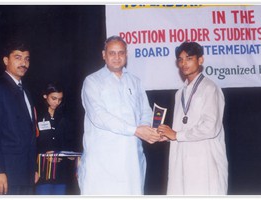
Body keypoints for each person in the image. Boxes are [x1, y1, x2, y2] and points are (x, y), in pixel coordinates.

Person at [78, 35, 160, 195]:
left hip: (131, 163)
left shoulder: (135, 82)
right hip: (102, 162)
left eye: (121, 53)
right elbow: (99, 116)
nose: (117, 57)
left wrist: (148, 130)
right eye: (112, 53)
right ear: (104, 55)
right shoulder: (92, 81)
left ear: (126, 55)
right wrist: (135, 130)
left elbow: (145, 111)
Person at [157, 41, 228, 195]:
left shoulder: (210, 88)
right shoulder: (180, 93)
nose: (184, 63)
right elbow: (183, 126)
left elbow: (210, 127)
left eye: (189, 58)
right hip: (182, 159)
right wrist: (169, 136)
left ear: (200, 60)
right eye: (180, 60)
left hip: (205, 160)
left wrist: (177, 135)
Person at [0, 39, 38, 195]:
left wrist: (32, 168)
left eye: (27, 58)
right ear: (6, 60)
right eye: (18, 57)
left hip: (25, 174)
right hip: (5, 174)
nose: (24, 63)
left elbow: (30, 134)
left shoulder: (26, 91)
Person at [35, 83, 76, 195]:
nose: (57, 102)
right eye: (54, 98)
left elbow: (69, 140)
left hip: (60, 171)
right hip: (42, 170)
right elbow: (32, 143)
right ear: (45, 96)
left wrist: (70, 154)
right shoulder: (36, 115)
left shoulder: (65, 116)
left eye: (60, 99)